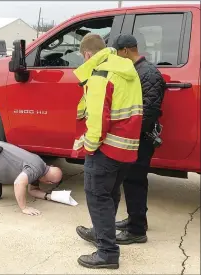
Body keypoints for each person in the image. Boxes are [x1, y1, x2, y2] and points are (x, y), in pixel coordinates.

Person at [72, 34, 143, 269]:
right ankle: (103, 233)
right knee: (110, 194)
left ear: (88, 55)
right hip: (126, 148)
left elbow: (98, 121)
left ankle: (107, 253)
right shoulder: (126, 69)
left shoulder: (101, 74)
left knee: (97, 196)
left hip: (107, 148)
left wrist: (89, 147)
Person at [111, 34, 166, 243]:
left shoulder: (148, 73)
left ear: (125, 51)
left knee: (135, 181)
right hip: (136, 136)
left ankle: (136, 231)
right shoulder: (137, 70)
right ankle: (137, 219)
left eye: (118, 53)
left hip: (141, 138)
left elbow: (149, 112)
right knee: (132, 180)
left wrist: (129, 132)